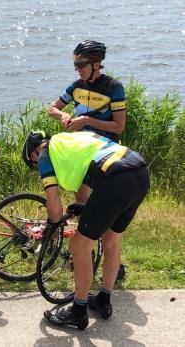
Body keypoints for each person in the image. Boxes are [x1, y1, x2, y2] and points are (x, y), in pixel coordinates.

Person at [22, 130, 149, 330]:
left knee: (79, 246)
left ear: (33, 154)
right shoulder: (70, 140)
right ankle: (103, 300)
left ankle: (78, 312)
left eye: (34, 165)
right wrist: (87, 208)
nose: (38, 168)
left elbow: (55, 211)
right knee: (112, 240)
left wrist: (51, 225)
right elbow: (90, 176)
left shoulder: (45, 155)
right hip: (139, 171)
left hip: (116, 179)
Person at [48, 40, 127, 278]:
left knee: (106, 209)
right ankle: (87, 256)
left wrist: (87, 121)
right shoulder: (76, 86)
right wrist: (63, 115)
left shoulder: (114, 87)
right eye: (75, 64)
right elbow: (52, 108)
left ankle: (113, 261)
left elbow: (119, 126)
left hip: (107, 153)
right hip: (82, 152)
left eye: (81, 64)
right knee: (82, 206)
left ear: (96, 64)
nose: (77, 68)